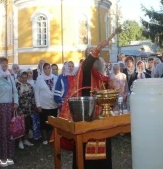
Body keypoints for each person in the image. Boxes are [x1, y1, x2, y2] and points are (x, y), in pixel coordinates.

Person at [55, 40, 112, 169]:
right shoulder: (86, 69)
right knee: (86, 150)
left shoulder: (101, 75)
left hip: (102, 117)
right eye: (93, 52)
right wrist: (98, 48)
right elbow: (89, 63)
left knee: (103, 149)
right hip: (87, 116)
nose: (98, 56)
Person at [34, 63, 58, 145]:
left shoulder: (55, 78)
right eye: (45, 68)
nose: (47, 70)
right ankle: (44, 138)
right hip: (44, 105)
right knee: (44, 122)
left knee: (53, 122)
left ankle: (52, 137)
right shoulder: (39, 78)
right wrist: (38, 105)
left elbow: (58, 90)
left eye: (49, 68)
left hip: (54, 104)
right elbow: (36, 92)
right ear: (43, 69)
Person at [16, 71, 35, 149]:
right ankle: (19, 141)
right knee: (20, 126)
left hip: (28, 109)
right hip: (20, 109)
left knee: (27, 125)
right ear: (19, 77)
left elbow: (32, 96)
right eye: (22, 77)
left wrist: (33, 106)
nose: (24, 79)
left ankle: (25, 140)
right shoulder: (17, 86)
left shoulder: (29, 86)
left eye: (25, 77)